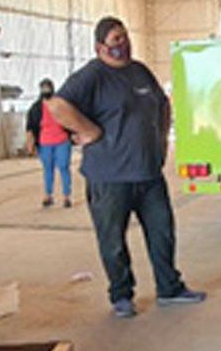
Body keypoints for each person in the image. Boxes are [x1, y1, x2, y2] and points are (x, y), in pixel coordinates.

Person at [48, 16, 206, 318]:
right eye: (116, 40)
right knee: (113, 240)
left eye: (125, 37)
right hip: (109, 178)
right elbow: (57, 106)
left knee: (162, 232)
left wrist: (160, 141)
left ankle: (169, 288)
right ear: (100, 47)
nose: (124, 44)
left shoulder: (140, 72)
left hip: (148, 174)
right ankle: (121, 295)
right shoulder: (92, 76)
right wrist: (90, 131)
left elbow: (163, 105)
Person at [25, 78, 73, 208]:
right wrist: (30, 144)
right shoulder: (35, 108)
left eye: (48, 87)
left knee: (63, 167)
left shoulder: (61, 104)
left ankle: (66, 196)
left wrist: (75, 135)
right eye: (44, 88)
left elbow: (72, 119)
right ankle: (48, 195)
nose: (46, 90)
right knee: (48, 169)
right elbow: (30, 127)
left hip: (62, 141)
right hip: (45, 143)